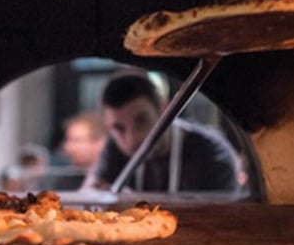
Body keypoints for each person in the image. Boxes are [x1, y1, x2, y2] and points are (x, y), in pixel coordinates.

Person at [91, 71, 238, 192]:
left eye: (141, 121)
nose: (132, 139)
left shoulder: (211, 152)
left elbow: (220, 219)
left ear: (164, 110)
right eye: (119, 128)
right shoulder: (113, 146)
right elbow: (92, 191)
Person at [60, 112, 107, 189]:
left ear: (100, 142)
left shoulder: (117, 179)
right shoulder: (67, 179)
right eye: (68, 140)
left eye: (76, 140)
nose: (67, 147)